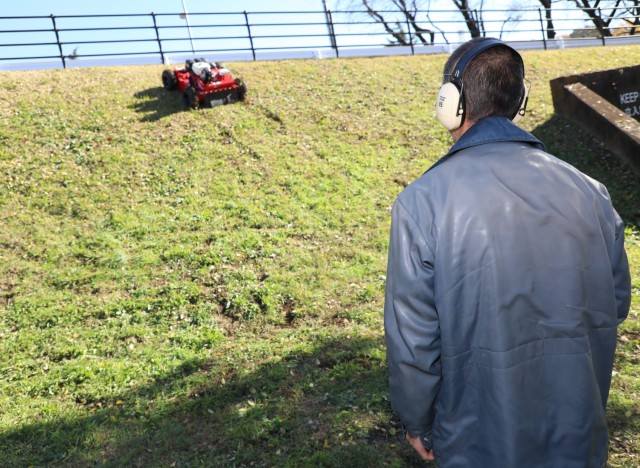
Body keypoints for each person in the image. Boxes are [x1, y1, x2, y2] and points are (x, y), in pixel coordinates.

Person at [384, 37, 631, 467]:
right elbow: (617, 302)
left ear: (451, 102)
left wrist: (417, 422)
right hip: (579, 432)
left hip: (474, 443)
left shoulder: (421, 202)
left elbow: (413, 343)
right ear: (520, 101)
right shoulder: (593, 193)